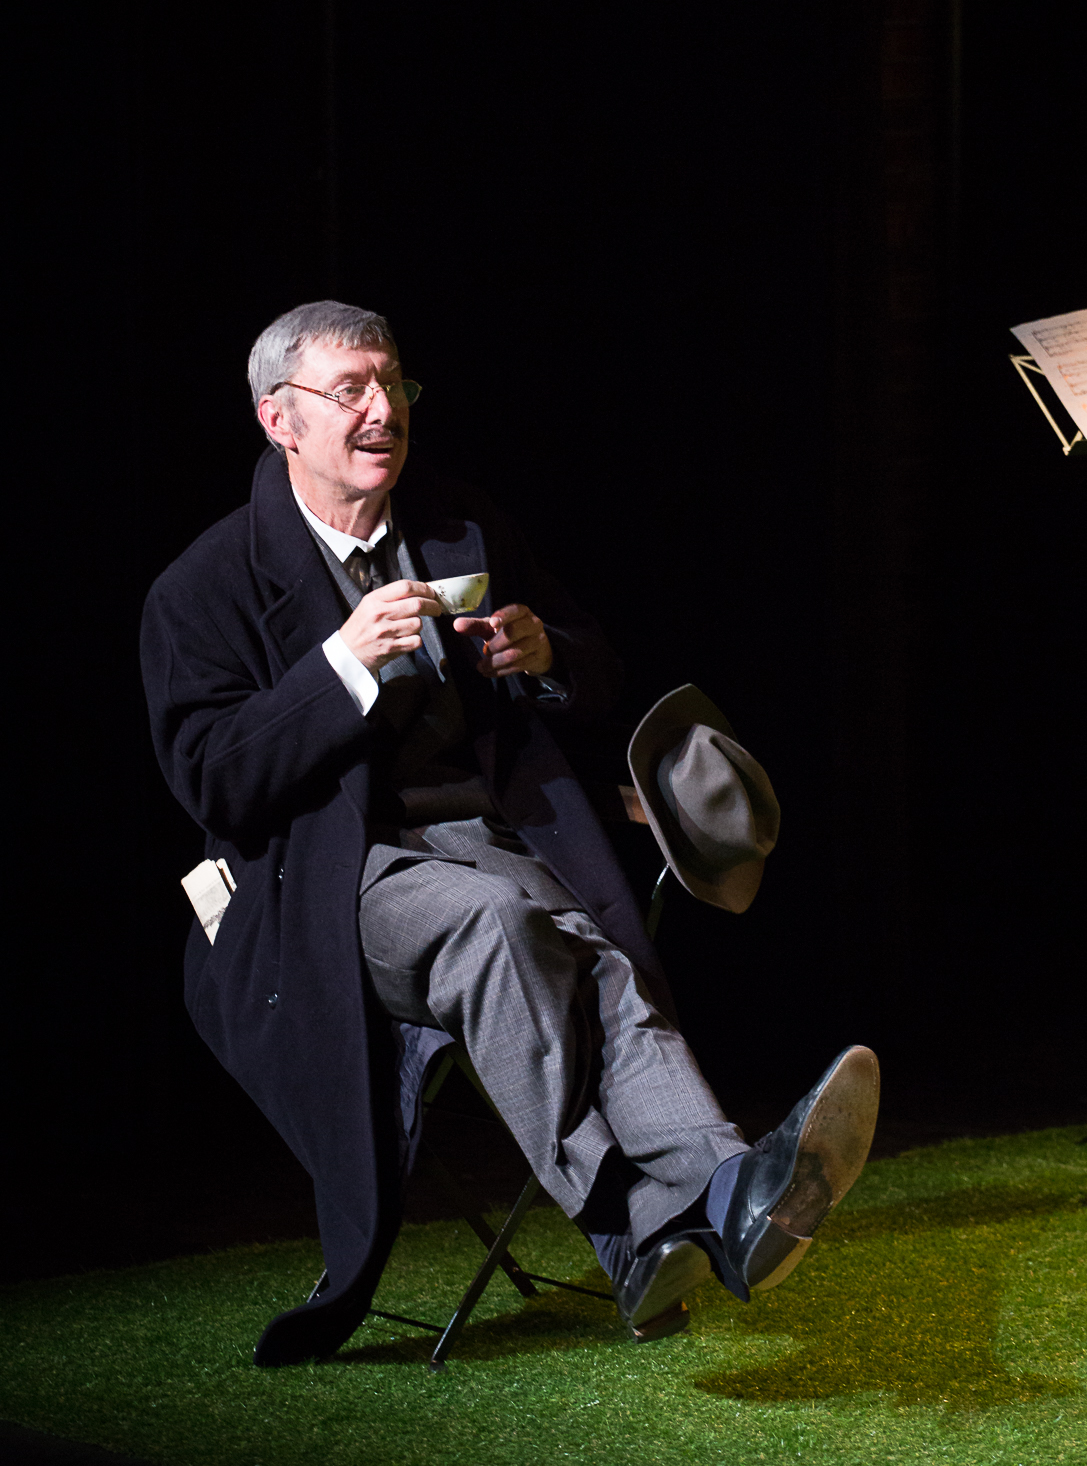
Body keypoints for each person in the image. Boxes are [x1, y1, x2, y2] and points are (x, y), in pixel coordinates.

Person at [141, 300, 879, 1364]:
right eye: (349, 390)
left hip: (487, 838)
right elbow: (211, 779)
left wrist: (543, 653)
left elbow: (594, 661)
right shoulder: (204, 585)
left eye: (392, 383)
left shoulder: (458, 525)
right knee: (499, 922)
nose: (381, 409)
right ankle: (647, 1213)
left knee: (587, 952)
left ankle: (716, 1195)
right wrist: (341, 665)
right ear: (279, 419)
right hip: (330, 878)